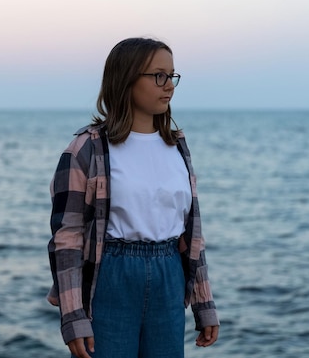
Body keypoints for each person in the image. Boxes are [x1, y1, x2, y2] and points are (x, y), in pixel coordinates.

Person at [47, 37, 219, 358]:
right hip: (110, 276)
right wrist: (73, 317)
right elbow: (67, 238)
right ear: (126, 78)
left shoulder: (177, 147)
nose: (169, 85)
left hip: (170, 275)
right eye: (158, 76)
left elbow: (191, 235)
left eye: (172, 75)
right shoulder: (87, 149)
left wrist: (204, 302)